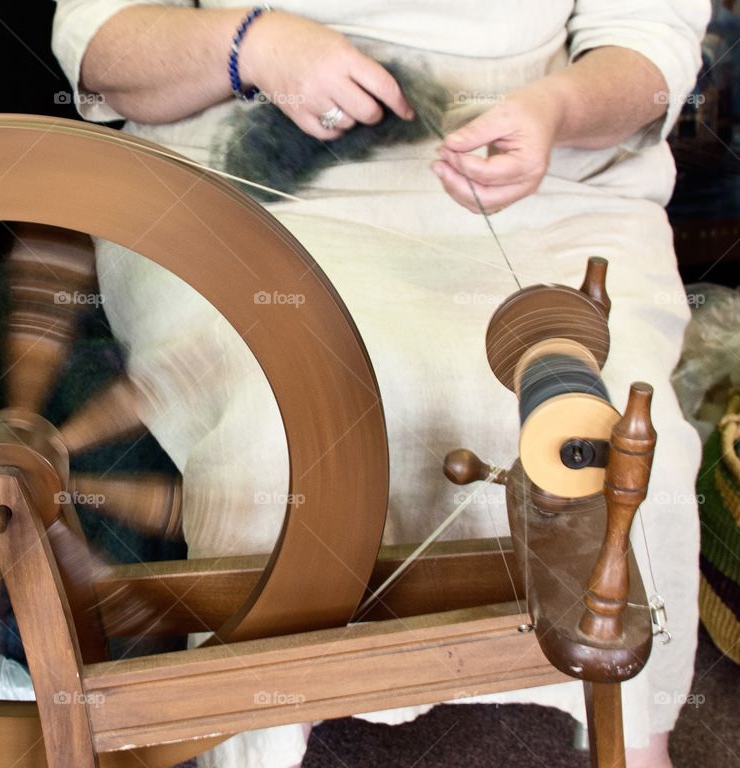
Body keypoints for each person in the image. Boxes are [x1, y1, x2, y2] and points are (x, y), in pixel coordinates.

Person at [52, 3, 711, 767]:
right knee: (291, 418)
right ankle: (256, 733)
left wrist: (556, 106)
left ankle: (632, 738)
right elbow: (101, 45)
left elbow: (647, 47)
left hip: (542, 173)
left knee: (613, 430)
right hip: (248, 173)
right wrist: (252, 46)